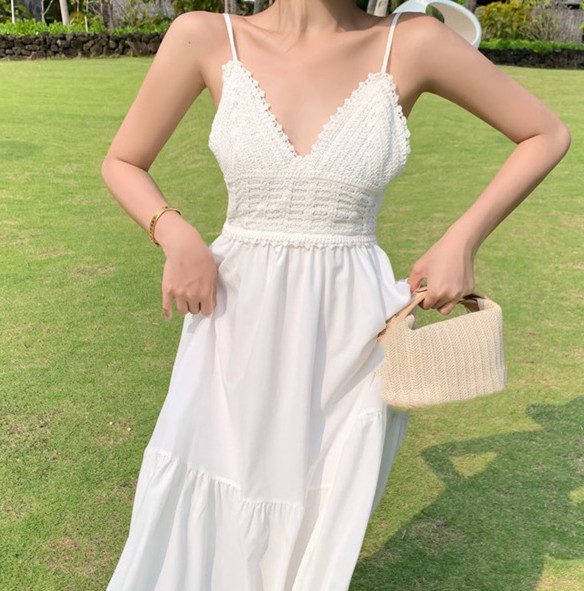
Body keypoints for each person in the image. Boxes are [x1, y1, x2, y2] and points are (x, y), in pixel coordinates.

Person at [100, 1, 571, 589]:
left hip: (353, 340)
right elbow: (123, 161)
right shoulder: (205, 35)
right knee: (207, 497)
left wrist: (463, 240)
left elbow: (545, 133)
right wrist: (173, 232)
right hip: (232, 327)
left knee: (317, 519)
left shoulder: (413, 42)